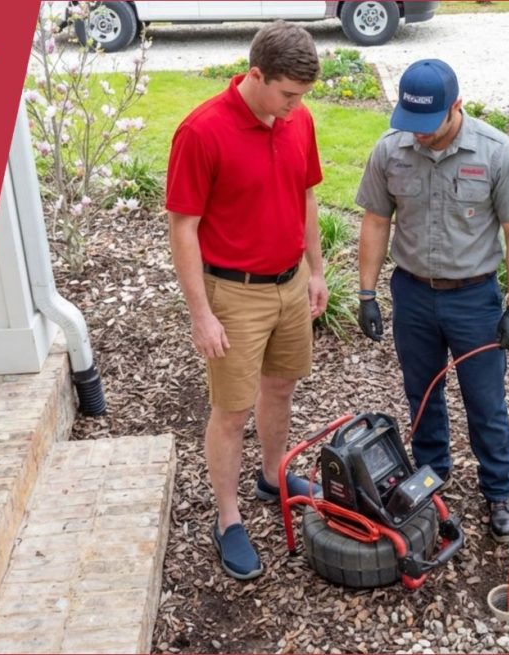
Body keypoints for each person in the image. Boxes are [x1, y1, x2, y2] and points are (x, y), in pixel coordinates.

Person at [165, 21, 328, 580]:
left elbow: (306, 194)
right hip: (233, 293)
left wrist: (315, 270)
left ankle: (274, 475)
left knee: (281, 386)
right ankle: (229, 519)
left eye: (301, 97)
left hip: (288, 285)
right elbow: (183, 228)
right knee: (231, 411)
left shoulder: (298, 119)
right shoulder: (201, 132)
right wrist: (201, 314)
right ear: (255, 75)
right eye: (286, 95)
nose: (294, 108)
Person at [354, 59, 509, 543]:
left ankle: (498, 490)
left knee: (486, 400)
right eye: (409, 125)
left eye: (427, 126)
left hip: (473, 298)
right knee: (422, 393)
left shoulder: (497, 153)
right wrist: (367, 293)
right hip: (412, 294)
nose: (418, 136)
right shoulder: (391, 150)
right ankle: (433, 477)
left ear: (456, 106)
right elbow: (376, 221)